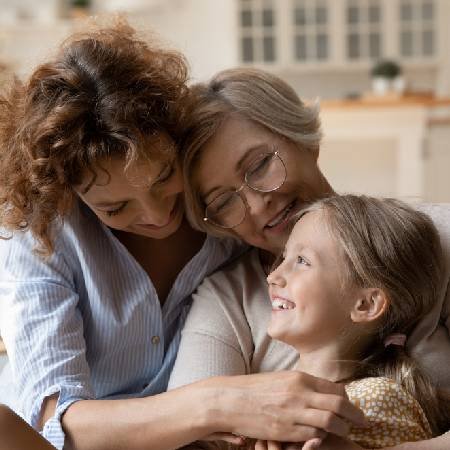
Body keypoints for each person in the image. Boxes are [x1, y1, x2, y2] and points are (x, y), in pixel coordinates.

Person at [0, 21, 364, 450]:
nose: (157, 216)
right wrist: (218, 403)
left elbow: (304, 215)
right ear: (71, 193)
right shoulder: (42, 236)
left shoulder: (225, 216)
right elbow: (55, 424)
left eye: (164, 177)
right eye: (115, 208)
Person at [168, 68, 450, 450]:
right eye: (223, 202)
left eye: (258, 166)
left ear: (303, 139)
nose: (256, 203)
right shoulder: (226, 298)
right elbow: (189, 432)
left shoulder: (439, 236)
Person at [261, 194, 450, 449]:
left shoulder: (375, 399)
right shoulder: (264, 395)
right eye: (283, 258)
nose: (273, 276)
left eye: (302, 261)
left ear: (366, 305)